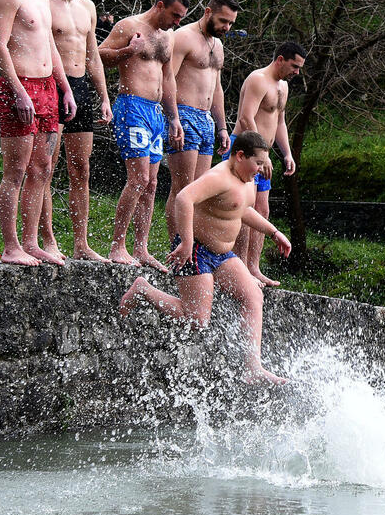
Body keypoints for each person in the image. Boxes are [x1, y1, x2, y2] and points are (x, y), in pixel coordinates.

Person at [119, 131, 292, 385]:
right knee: (198, 320)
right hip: (196, 249)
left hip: (222, 255)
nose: (259, 170)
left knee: (253, 295)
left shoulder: (245, 180)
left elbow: (242, 210)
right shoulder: (219, 176)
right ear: (240, 156)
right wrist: (187, 242)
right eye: (257, 164)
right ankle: (143, 289)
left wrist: (274, 232)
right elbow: (184, 198)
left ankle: (252, 368)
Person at [0, 0, 76, 266]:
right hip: (20, 86)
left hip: (47, 87)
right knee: (15, 170)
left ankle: (30, 241)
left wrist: (65, 87)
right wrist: (18, 90)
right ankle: (11, 246)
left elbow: (49, 46)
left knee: (42, 168)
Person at [98, 0, 190, 269]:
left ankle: (141, 248)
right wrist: (128, 51)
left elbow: (168, 77)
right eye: (175, 15)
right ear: (160, 5)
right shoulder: (129, 25)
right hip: (131, 106)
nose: (177, 22)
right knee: (137, 179)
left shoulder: (168, 37)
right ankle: (117, 246)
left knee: (151, 184)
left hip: (155, 113)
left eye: (181, 18)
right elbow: (99, 55)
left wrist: (174, 117)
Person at [41, 0, 113, 262]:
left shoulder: (87, 6)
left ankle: (81, 243)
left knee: (80, 169)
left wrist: (104, 96)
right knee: (45, 166)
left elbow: (92, 54)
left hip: (81, 87)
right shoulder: (44, 3)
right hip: (53, 86)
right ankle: (48, 239)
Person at [226, 42, 306, 287]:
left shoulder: (282, 86)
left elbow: (279, 122)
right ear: (280, 59)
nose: (297, 72)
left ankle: (253, 267)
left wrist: (287, 153)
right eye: (294, 66)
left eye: (300, 68)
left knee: (263, 211)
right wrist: (261, 155)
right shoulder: (257, 79)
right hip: (246, 151)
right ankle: (239, 265)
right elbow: (245, 117)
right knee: (244, 208)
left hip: (265, 154)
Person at [164, 0, 240, 238]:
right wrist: (173, 118)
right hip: (184, 114)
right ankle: (177, 247)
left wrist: (222, 127)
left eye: (230, 23)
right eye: (222, 21)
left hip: (206, 119)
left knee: (201, 193)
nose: (226, 27)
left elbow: (216, 88)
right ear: (208, 12)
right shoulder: (183, 37)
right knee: (182, 189)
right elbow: (168, 80)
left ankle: (192, 248)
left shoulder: (218, 45)